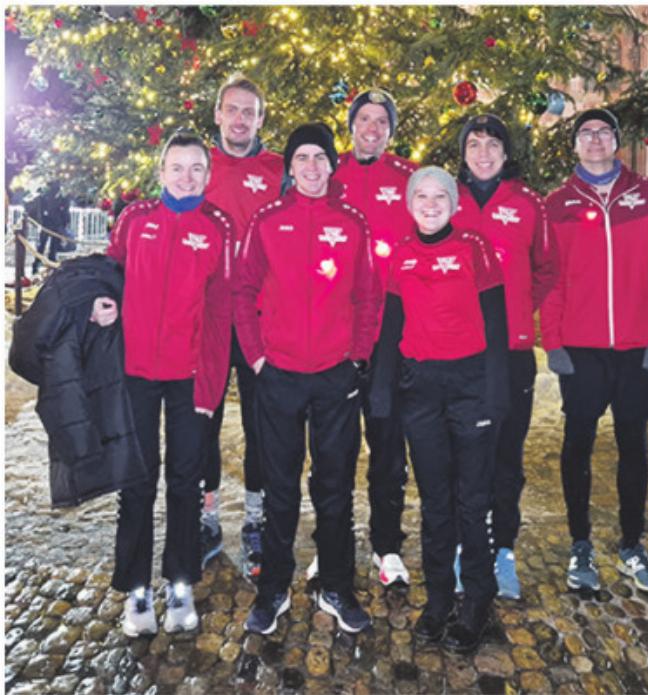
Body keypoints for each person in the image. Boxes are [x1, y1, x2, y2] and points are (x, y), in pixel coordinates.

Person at [236, 123, 381, 635]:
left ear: (330, 165)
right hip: (278, 375)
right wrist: (255, 358)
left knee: (335, 487)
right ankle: (274, 586)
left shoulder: (354, 222)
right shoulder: (268, 220)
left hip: (335, 376)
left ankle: (336, 585)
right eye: (303, 158)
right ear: (290, 167)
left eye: (320, 157)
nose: (312, 166)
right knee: (280, 488)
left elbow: (370, 295)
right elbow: (242, 290)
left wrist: (357, 357)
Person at [93, 131, 232, 636]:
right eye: (178, 167)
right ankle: (135, 589)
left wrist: (208, 390)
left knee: (184, 482)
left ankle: (179, 581)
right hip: (134, 375)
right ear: (162, 170)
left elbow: (221, 316)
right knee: (136, 483)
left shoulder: (218, 227)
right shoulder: (136, 219)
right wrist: (102, 305)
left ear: (208, 174)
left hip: (187, 380)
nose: (187, 176)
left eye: (197, 168)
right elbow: (109, 275)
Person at [370, 166, 509, 654]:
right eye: (421, 196)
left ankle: (477, 597)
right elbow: (390, 329)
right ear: (409, 204)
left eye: (439, 196)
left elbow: (496, 326)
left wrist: (496, 395)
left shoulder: (475, 249)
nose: (430, 204)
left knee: (473, 501)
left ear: (454, 203)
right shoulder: (401, 256)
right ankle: (439, 599)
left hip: (471, 387)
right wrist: (382, 392)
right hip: (421, 391)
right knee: (434, 502)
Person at [541, 108, 648, 592]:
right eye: (585, 134)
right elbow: (551, 279)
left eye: (603, 132)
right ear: (575, 145)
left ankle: (631, 544)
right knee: (577, 443)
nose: (595, 140)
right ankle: (581, 544)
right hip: (581, 348)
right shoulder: (556, 204)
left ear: (616, 141)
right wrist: (552, 340)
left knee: (633, 446)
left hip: (637, 346)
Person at [452, 114, 560, 600]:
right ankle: (463, 547)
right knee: (460, 457)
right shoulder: (445, 200)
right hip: (456, 353)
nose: (483, 151)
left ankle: (503, 551)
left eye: (492, 142)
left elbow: (546, 269)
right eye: (474, 143)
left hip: (511, 354)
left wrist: (517, 312)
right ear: (464, 152)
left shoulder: (527, 203)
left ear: (504, 151)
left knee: (505, 459)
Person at [320, 88, 416, 588]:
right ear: (351, 124)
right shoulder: (326, 173)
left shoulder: (407, 178)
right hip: (333, 328)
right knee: (332, 446)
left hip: (387, 333)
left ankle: (386, 545)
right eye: (365, 119)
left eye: (382, 121)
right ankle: (328, 545)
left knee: (386, 442)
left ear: (390, 130)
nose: (372, 129)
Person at [202, 73, 284, 578]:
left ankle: (256, 517)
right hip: (207, 318)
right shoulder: (197, 163)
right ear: (217, 114)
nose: (239, 119)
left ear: (260, 118)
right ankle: (206, 516)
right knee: (202, 421)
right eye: (231, 109)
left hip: (259, 318)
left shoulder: (278, 168)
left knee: (262, 426)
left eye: (249, 112)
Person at [29, 181, 70, 274]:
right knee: (45, 246)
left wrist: (64, 223)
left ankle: (43, 265)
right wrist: (65, 222)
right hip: (50, 224)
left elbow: (65, 211)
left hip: (52, 224)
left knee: (48, 246)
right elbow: (64, 212)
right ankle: (39, 264)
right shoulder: (48, 197)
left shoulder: (54, 197)